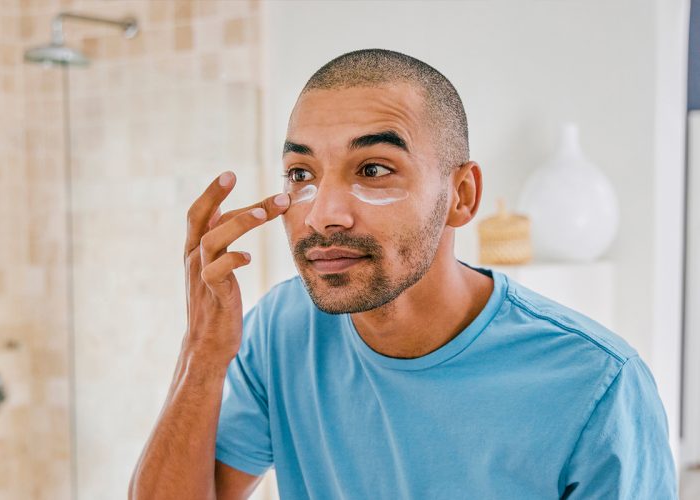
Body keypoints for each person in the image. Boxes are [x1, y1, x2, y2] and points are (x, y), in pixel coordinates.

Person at [129, 49, 678, 499]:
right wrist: (202, 353)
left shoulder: (596, 385)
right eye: (302, 173)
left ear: (461, 196)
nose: (322, 214)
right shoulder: (281, 330)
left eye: (373, 169)